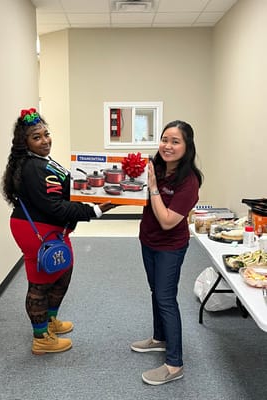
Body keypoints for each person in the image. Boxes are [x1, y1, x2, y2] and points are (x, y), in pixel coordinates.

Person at [1, 107, 115, 355]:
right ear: (25, 143)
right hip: (36, 229)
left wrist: (98, 185)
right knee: (40, 283)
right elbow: (54, 206)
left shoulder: (43, 160)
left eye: (46, 134)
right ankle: (41, 338)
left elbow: (64, 187)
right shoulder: (32, 167)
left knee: (63, 271)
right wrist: (94, 210)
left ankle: (50, 321)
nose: (45, 140)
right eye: (37, 137)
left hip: (52, 227)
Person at [131, 120, 203, 385]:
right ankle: (159, 338)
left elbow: (168, 221)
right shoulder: (155, 168)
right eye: (164, 139)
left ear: (187, 146)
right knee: (156, 292)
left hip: (170, 247)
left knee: (166, 298)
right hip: (148, 240)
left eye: (175, 141)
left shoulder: (189, 181)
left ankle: (174, 364)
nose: (167, 146)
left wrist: (152, 187)